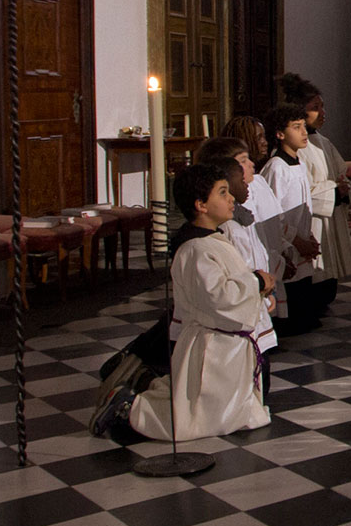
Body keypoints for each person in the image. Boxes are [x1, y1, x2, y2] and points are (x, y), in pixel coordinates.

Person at [92, 162, 273, 440]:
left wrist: (257, 293)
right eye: (223, 193)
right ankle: (129, 409)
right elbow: (219, 298)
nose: (231, 198)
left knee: (233, 412)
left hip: (228, 346)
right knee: (200, 419)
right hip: (212, 348)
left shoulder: (213, 240)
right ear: (201, 204)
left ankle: (148, 389)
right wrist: (257, 282)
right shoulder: (197, 249)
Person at [193, 137, 278, 393]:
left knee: (261, 377)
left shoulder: (239, 218)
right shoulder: (223, 231)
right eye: (227, 189)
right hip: (240, 318)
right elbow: (236, 274)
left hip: (256, 305)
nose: (245, 178)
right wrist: (261, 287)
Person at [262, 104, 333, 335]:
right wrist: (296, 239)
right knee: (289, 301)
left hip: (301, 240)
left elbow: (305, 205)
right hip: (287, 243)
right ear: (280, 134)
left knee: (305, 299)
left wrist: (308, 236)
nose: (304, 132)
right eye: (296, 127)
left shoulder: (299, 163)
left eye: (304, 126)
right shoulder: (276, 167)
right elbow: (273, 213)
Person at [296, 78, 351, 322]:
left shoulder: (323, 142)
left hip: (330, 216)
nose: (323, 113)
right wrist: (333, 190)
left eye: (323, 106)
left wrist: (344, 188)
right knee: (315, 268)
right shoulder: (296, 147)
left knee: (328, 270)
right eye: (315, 107)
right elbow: (298, 191)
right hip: (313, 221)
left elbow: (341, 172)